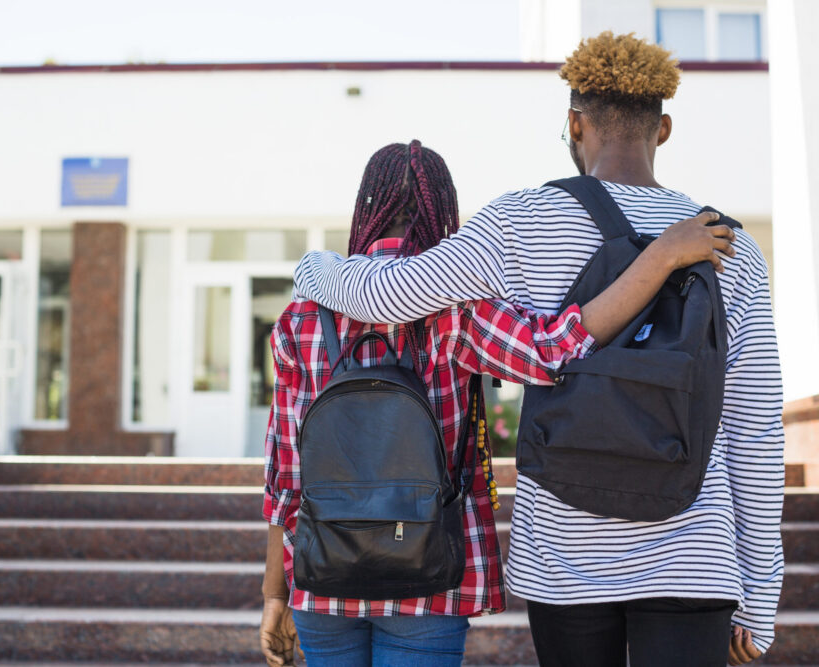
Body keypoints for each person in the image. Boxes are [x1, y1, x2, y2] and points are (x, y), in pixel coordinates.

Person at [291, 33, 784, 667]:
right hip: (692, 549)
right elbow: (754, 426)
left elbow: (387, 296)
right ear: (662, 129)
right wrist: (759, 596)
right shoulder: (725, 245)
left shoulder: (521, 221)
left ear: (575, 124)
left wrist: (313, 267)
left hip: (565, 553)